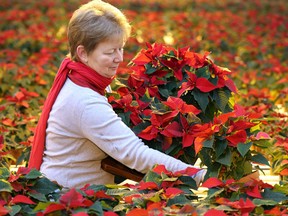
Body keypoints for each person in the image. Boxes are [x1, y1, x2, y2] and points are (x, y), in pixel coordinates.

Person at [28, 0, 206, 189]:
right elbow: (134, 154)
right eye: (111, 51)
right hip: (67, 199)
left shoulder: (84, 81)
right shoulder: (84, 101)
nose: (119, 58)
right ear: (83, 53)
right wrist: (199, 175)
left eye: (120, 48)